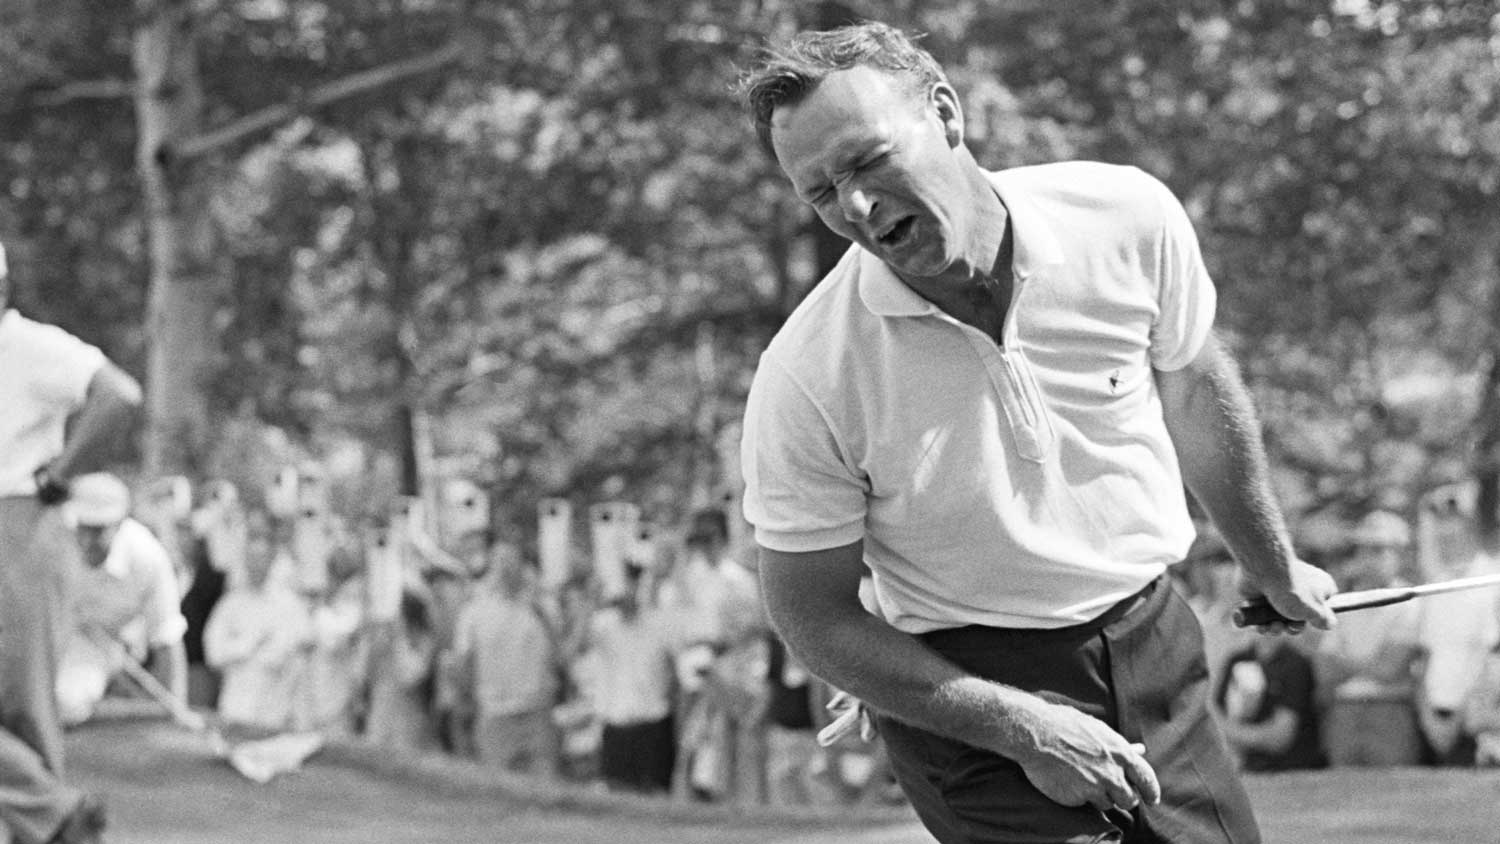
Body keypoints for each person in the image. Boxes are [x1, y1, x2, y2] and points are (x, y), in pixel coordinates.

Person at [736, 22, 1337, 843]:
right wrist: (1020, 727)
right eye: (821, 192)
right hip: (966, 693)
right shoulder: (807, 373)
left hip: (1154, 644)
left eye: (868, 161)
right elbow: (813, 614)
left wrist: (1274, 565)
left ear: (946, 114)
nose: (857, 206)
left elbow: (1194, 388)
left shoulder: (1125, 217)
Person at [0, 238, 142, 844]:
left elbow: (118, 395)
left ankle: (54, 818)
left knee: (26, 710)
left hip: (20, 524)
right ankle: (57, 815)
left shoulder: (29, 345)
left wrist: (60, 476)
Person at [56, 473, 188, 727]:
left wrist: (175, 708)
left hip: (96, 651)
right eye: (82, 527)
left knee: (67, 701)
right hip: (41, 633)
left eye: (96, 530)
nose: (86, 540)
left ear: (118, 524)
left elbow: (167, 636)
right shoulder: (53, 539)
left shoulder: (149, 559)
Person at [1314, 510, 1425, 766]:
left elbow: (1390, 668)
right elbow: (1325, 669)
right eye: (1363, 549)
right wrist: (1368, 664)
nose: (1368, 558)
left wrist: (1346, 663)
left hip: (1390, 711)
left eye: (1379, 550)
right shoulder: (1343, 601)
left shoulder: (1408, 601)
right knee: (1342, 796)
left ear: (1401, 554)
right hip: (1344, 712)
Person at [450, 543, 561, 775]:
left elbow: (559, 653)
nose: (507, 568)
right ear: (491, 567)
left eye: (513, 561)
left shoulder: (542, 607)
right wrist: (467, 706)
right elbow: (463, 664)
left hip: (537, 713)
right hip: (495, 716)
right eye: (501, 562)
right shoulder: (474, 612)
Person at [202, 508, 313, 732]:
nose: (255, 565)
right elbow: (214, 652)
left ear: (272, 560)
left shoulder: (290, 605)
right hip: (235, 708)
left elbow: (295, 651)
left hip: (276, 713)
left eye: (261, 558)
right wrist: (247, 645)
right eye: (251, 558)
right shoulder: (231, 602)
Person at [1414, 485, 1497, 765]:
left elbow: (1488, 658)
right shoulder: (1436, 584)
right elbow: (1426, 656)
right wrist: (1428, 717)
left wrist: (1458, 720)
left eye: (1455, 525)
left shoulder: (1491, 580)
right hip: (1435, 717)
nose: (1446, 535)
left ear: (1471, 528)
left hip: (1476, 722)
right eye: (1441, 528)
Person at [586, 562, 679, 794]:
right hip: (616, 726)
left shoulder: (661, 623)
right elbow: (573, 649)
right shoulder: (602, 624)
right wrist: (593, 600)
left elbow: (678, 672)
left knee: (655, 797)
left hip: (653, 725)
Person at [1215, 636, 1325, 772]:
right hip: (1247, 767)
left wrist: (1233, 734)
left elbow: (1280, 738)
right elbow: (1216, 714)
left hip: (1289, 766)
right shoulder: (1238, 660)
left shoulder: (1295, 663)